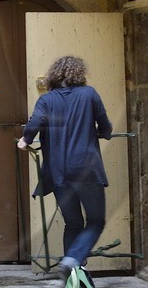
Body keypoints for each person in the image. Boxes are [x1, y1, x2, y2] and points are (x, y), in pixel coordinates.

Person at [17, 54, 113, 274]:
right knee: (96, 220)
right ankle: (73, 259)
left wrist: (25, 140)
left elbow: (36, 121)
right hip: (87, 170)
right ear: (79, 73)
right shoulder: (89, 94)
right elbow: (105, 127)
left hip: (58, 173)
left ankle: (71, 277)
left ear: (54, 76)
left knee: (73, 222)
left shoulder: (46, 100)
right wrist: (100, 133)